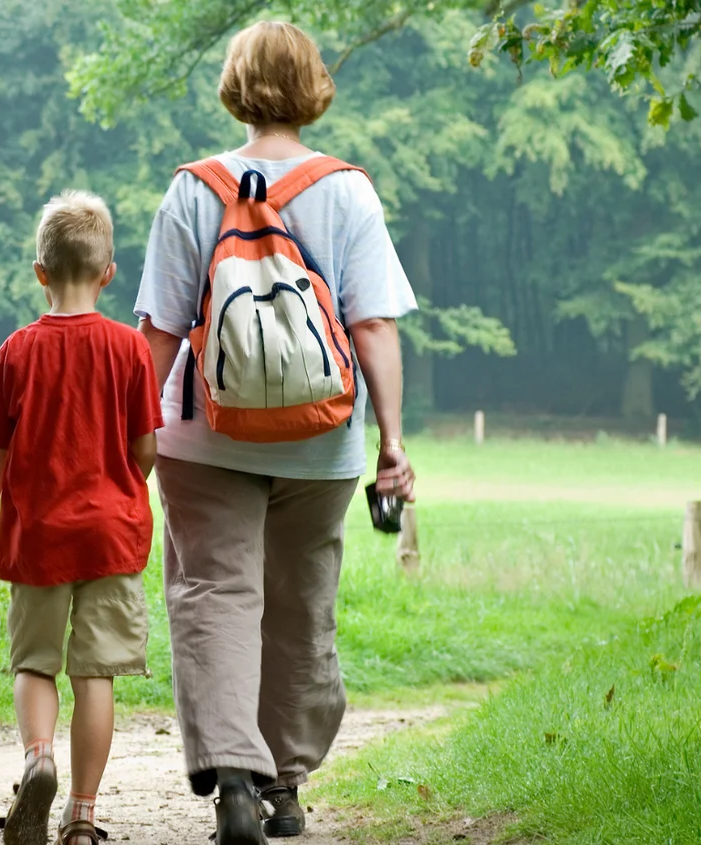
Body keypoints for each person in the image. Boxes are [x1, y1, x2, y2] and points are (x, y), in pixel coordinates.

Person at [135, 20, 418, 845]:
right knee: (299, 602)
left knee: (214, 593)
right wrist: (391, 441)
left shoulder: (192, 188)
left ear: (234, 88)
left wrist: (131, 432)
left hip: (202, 435)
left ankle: (233, 772)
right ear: (313, 87)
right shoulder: (349, 190)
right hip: (322, 440)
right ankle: (284, 781)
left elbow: (156, 330)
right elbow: (373, 327)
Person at [0, 191, 162, 845]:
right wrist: (128, 488)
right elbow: (145, 449)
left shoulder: (16, 351)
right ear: (108, 273)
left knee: (35, 664)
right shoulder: (130, 349)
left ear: (39, 271)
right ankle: (80, 811)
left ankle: (38, 756)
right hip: (111, 535)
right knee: (95, 672)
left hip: (37, 535)